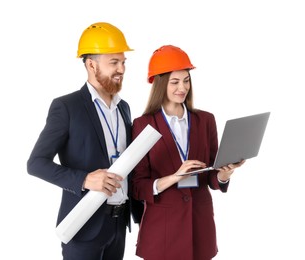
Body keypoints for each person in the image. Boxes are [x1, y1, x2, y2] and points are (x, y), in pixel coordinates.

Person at [27, 22, 143, 260]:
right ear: (91, 64)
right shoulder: (67, 107)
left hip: (118, 224)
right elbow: (36, 163)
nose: (122, 68)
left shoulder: (124, 108)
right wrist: (85, 179)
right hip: (83, 226)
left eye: (123, 62)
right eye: (114, 62)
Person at [131, 45, 245, 260]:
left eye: (186, 80)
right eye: (174, 82)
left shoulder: (206, 120)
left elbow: (211, 176)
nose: (182, 88)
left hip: (199, 227)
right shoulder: (142, 125)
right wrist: (175, 177)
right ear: (159, 84)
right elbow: (138, 186)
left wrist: (224, 174)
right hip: (162, 232)